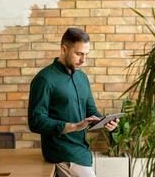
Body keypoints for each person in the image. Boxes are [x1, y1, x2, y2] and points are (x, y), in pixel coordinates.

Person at [28, 27, 119, 177]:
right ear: (64, 49)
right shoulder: (44, 79)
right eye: (79, 54)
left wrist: (106, 123)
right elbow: (36, 121)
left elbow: (91, 112)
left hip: (83, 153)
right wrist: (72, 126)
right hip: (62, 154)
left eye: (86, 55)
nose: (83, 60)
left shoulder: (82, 78)